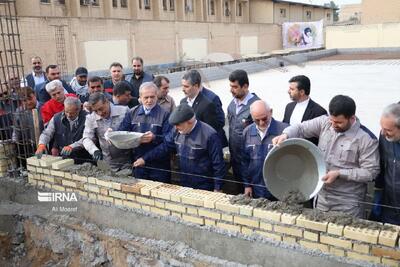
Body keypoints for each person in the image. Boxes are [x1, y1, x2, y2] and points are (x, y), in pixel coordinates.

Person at [272, 95, 380, 218]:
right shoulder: (324, 122)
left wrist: (339, 173)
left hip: (348, 202)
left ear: (352, 118)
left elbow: (371, 172)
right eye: (332, 120)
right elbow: (301, 128)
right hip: (322, 196)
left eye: (339, 122)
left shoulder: (366, 139)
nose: (333, 125)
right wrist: (286, 135)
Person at [134, 104, 225, 191]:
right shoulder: (176, 131)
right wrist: (144, 159)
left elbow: (218, 164)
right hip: (185, 181)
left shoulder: (209, 135)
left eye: (178, 125)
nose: (176, 128)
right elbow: (165, 147)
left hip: (204, 185)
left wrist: (218, 188)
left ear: (190, 121)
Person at [118, 82, 172, 182]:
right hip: (138, 164)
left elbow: (169, 142)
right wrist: (112, 134)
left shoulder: (165, 115)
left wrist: (155, 137)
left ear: (157, 96)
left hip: (159, 167)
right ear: (140, 97)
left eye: (152, 97)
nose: (149, 100)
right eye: (146, 97)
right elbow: (122, 132)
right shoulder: (132, 113)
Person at [242, 100, 288, 199]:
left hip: (280, 190)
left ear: (270, 112)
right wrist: (247, 185)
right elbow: (245, 161)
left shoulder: (284, 131)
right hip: (257, 188)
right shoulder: (247, 132)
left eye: (264, 118)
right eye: (256, 120)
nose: (261, 123)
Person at [227, 69, 259, 194]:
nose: (231, 90)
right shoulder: (232, 105)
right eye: (230, 86)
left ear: (245, 86)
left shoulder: (256, 106)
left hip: (251, 162)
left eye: (235, 87)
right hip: (236, 161)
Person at [82, 92, 131, 171]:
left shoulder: (124, 111)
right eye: (95, 111)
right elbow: (86, 138)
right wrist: (94, 150)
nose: (100, 113)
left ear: (107, 101)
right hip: (107, 161)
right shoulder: (91, 118)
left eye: (101, 109)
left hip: (128, 160)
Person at [35, 97, 90, 163]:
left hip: (84, 158)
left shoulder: (88, 118)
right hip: (65, 158)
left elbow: (89, 138)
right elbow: (47, 133)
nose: (69, 115)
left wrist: (72, 147)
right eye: (66, 112)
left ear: (79, 109)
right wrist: (42, 144)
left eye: (72, 113)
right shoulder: (56, 118)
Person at [371, 103, 400, 224]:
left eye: (388, 130)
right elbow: (381, 167)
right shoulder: (385, 138)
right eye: (381, 128)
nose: (383, 133)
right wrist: (378, 197)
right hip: (389, 206)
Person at [283, 75, 327, 145]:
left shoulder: (319, 112)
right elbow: (284, 126)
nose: (288, 91)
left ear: (302, 92)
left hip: (305, 153)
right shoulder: (289, 107)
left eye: (292, 89)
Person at [180, 70, 223, 134]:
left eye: (186, 86)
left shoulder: (209, 102)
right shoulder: (183, 102)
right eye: (182, 85)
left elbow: (212, 129)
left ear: (196, 86)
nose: (183, 89)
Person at [12, 87, 43, 165]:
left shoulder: (44, 107)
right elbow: (16, 131)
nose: (28, 102)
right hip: (27, 147)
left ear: (35, 95)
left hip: (43, 145)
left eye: (30, 98)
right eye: (25, 100)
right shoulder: (19, 111)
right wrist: (14, 143)